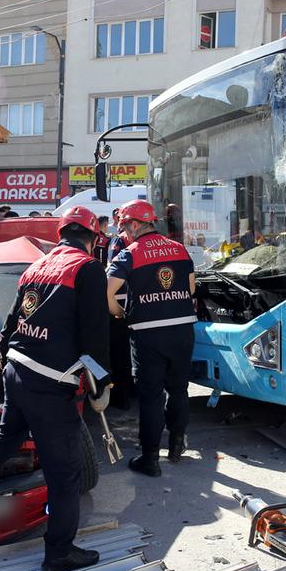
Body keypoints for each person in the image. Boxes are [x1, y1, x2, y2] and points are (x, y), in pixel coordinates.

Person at [0, 206, 112, 571]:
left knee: (4, 439)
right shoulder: (87, 269)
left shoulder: (36, 266)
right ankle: (59, 553)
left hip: (17, 370)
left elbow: (10, 326)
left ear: (61, 234)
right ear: (92, 239)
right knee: (65, 472)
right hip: (50, 384)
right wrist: (102, 383)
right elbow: (95, 336)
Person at [106, 200, 196, 476]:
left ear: (135, 224)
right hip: (183, 329)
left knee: (150, 396)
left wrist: (119, 313)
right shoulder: (179, 248)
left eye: (125, 227)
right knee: (179, 390)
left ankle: (150, 459)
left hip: (148, 333)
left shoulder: (129, 254)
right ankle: (177, 444)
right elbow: (191, 288)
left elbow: (108, 291)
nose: (125, 232)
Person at [106, 210, 134, 410]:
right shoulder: (120, 242)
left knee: (124, 353)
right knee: (124, 353)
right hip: (124, 303)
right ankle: (125, 394)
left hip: (125, 303)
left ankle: (125, 394)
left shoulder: (122, 241)